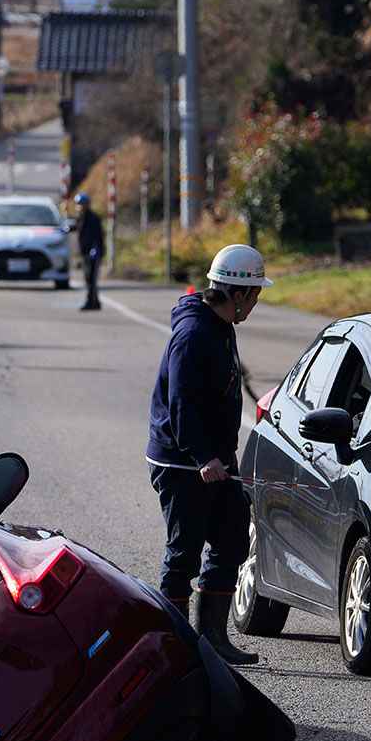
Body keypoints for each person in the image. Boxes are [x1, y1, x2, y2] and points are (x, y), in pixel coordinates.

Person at [146, 243, 272, 665]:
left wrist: (221, 456)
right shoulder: (194, 335)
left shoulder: (222, 327)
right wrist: (203, 457)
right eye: (254, 295)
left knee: (233, 538)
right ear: (237, 295)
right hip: (183, 462)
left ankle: (212, 639)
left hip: (215, 460)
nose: (256, 303)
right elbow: (182, 405)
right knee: (184, 551)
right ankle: (177, 643)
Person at [72, 193, 105, 311]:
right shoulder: (80, 217)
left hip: (94, 253)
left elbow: (99, 236)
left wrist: (96, 249)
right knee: (88, 278)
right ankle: (95, 302)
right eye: (79, 204)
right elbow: (75, 227)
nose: (81, 207)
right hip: (85, 252)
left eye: (83, 204)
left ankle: (90, 302)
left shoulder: (93, 218)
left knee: (91, 278)